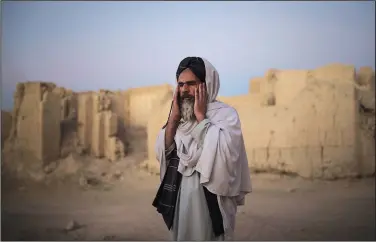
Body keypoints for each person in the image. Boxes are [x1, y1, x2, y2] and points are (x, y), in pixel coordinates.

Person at [152, 57, 252, 241]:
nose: (184, 90)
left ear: (207, 84)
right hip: (181, 197)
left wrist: (201, 117)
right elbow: (162, 153)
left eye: (191, 84)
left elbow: (226, 155)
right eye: (181, 84)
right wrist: (173, 120)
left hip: (211, 199)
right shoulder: (179, 118)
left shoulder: (225, 115)